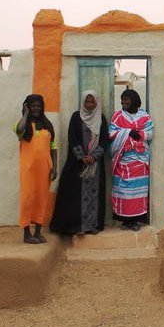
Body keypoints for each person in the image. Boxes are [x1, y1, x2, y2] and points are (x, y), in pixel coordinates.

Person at [49, 91, 109, 237]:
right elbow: (72, 137)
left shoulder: (101, 119)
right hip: (78, 164)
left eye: (92, 102)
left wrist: (94, 157)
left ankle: (93, 225)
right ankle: (78, 226)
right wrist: (82, 157)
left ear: (97, 103)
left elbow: (104, 140)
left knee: (95, 195)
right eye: (86, 102)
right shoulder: (76, 117)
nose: (89, 105)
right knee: (75, 195)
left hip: (95, 166)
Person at [15, 94, 57, 244]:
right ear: (27, 107)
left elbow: (53, 147)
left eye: (38, 106)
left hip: (45, 168)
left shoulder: (48, 125)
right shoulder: (23, 125)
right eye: (33, 106)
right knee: (27, 198)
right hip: (28, 169)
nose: (36, 108)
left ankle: (38, 232)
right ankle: (27, 234)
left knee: (41, 198)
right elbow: (19, 129)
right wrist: (25, 114)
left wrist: (55, 167)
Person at [110, 89, 153, 231]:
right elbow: (111, 133)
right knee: (122, 190)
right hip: (123, 159)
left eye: (126, 99)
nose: (123, 102)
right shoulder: (117, 116)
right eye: (122, 99)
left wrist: (139, 134)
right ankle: (125, 221)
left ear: (134, 100)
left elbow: (150, 133)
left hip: (140, 160)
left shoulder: (144, 116)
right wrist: (128, 132)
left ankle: (135, 221)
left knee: (138, 191)